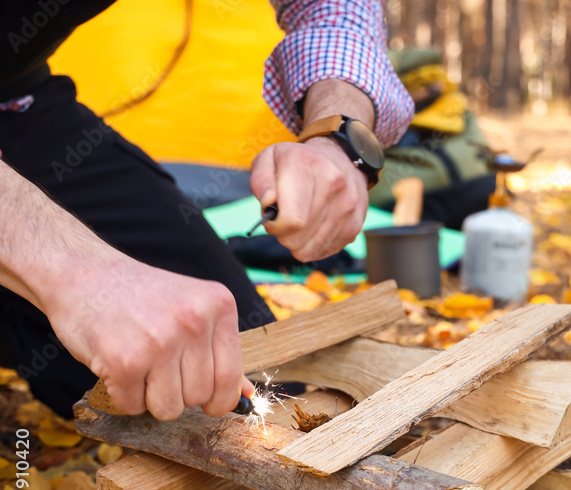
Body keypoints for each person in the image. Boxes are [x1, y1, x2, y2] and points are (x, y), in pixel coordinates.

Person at [0, 1, 414, 421]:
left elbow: (332, 8)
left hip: (14, 100)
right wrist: (76, 272)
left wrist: (337, 133)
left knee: (231, 379)